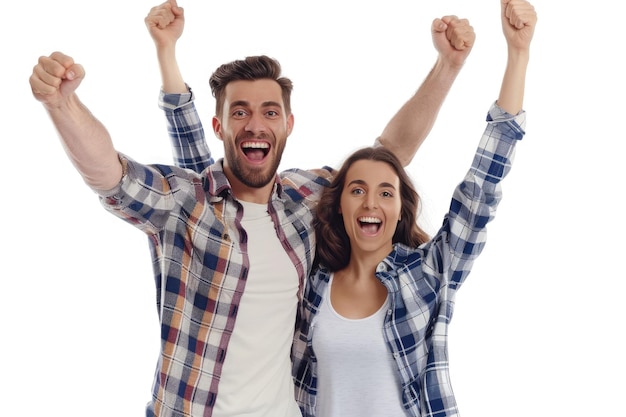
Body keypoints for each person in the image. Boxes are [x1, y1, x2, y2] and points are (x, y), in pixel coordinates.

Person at [29, 4, 474, 417]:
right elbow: (111, 175)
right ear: (220, 126)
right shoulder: (185, 203)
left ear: (287, 125)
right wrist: (62, 104)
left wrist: (448, 66)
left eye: (270, 112)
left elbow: (390, 151)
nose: (256, 124)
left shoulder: (306, 199)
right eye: (240, 112)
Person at [291, 0, 537, 416]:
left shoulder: (430, 274)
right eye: (358, 190)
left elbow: (482, 187)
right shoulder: (311, 285)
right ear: (339, 206)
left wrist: (518, 54)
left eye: (386, 192)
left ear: (401, 209)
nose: (371, 203)